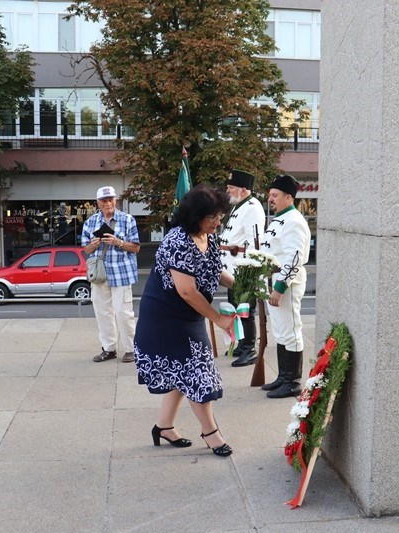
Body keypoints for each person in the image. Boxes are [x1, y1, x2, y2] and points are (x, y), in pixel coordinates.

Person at [133, 184, 235, 457]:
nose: (217, 222)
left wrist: (244, 283)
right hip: (165, 318)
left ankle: (164, 427)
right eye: (212, 217)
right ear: (194, 216)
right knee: (198, 372)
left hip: (188, 316)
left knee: (182, 374)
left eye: (219, 216)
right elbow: (187, 291)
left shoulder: (207, 236)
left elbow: (215, 270)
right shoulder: (177, 241)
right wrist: (218, 319)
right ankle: (211, 433)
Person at [259, 174, 311, 399]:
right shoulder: (281, 218)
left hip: (286, 283)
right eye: (270, 195)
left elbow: (294, 257)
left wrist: (279, 287)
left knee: (290, 331)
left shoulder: (294, 221)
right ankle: (283, 376)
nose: (270, 199)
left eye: (275, 195)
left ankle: (292, 381)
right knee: (280, 331)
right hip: (273, 279)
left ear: (289, 197)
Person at [81, 186, 140, 363]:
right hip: (99, 274)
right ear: (98, 203)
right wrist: (93, 245)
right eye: (104, 200)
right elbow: (86, 250)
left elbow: (136, 247)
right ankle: (109, 349)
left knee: (123, 313)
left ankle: (131, 350)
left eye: (111, 199)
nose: (108, 203)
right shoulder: (90, 222)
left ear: (116, 200)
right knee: (102, 313)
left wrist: (118, 242)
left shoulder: (127, 219)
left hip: (121, 273)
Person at [219, 169, 266, 367]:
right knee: (236, 307)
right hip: (232, 267)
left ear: (243, 189)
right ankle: (241, 343)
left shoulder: (252, 207)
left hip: (244, 269)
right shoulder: (240, 206)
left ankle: (249, 349)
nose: (228, 190)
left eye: (231, 187)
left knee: (245, 309)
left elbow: (255, 242)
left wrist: (251, 272)